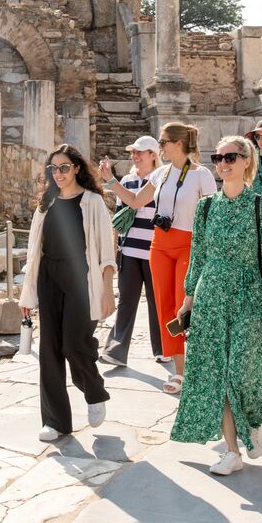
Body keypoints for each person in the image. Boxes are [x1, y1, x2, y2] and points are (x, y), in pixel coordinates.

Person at [170, 136, 262, 476]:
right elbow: (198, 256)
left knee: (242, 369)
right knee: (217, 373)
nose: (223, 163)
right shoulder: (206, 207)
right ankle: (232, 450)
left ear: (246, 162)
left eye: (231, 157)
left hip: (249, 296)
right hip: (210, 296)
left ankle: (253, 418)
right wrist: (188, 299)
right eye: (218, 157)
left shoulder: (261, 206)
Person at [101, 122, 217, 394]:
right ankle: (180, 372)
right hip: (160, 245)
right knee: (165, 308)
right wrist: (110, 181)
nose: (160, 147)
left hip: (189, 244)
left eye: (163, 142)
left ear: (179, 144)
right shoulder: (161, 174)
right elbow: (135, 201)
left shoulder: (202, 175)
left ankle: (201, 364)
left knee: (183, 306)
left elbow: (213, 216)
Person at [20, 144, 116, 442]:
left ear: (76, 168)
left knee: (75, 345)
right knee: (49, 349)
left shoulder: (92, 202)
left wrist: (108, 291)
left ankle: (94, 391)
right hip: (49, 276)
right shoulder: (45, 204)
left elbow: (105, 251)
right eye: (53, 168)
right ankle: (55, 420)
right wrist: (27, 295)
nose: (58, 173)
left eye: (64, 167)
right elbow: (34, 252)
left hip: (81, 276)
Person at [100, 135, 164, 366]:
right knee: (127, 300)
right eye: (133, 152)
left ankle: (163, 349)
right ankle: (115, 351)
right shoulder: (126, 180)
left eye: (139, 152)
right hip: (129, 251)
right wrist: (114, 250)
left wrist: (109, 181)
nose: (134, 156)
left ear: (153, 155)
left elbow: (138, 203)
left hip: (155, 251)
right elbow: (119, 218)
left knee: (157, 301)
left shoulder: (161, 179)